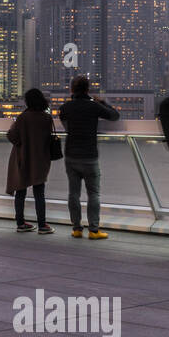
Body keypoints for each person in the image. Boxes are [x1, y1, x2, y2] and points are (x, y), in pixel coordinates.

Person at [58, 75, 120, 239]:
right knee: (93, 194)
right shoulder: (93, 106)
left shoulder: (65, 107)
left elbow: (66, 126)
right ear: (88, 89)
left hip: (71, 155)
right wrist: (102, 102)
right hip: (90, 156)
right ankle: (94, 230)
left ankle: (77, 228)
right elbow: (114, 116)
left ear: (72, 90)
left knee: (73, 193)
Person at [6, 88, 56, 233]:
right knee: (39, 193)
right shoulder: (47, 118)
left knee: (20, 191)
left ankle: (21, 223)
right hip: (40, 159)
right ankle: (42, 225)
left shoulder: (22, 118)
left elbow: (12, 137)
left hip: (23, 158)